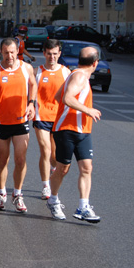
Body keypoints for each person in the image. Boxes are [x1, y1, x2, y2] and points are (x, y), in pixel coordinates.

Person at [47, 47, 102, 223]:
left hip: (83, 131)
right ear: (95, 63)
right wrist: (87, 110)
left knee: (87, 168)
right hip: (67, 130)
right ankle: (53, 199)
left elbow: (57, 96)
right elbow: (66, 98)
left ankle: (83, 207)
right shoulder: (79, 76)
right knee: (63, 169)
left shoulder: (76, 75)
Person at [0, 38, 37, 213]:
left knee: (20, 159)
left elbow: (33, 84)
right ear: (1, 52)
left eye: (12, 52)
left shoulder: (26, 68)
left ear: (17, 51)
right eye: (6, 52)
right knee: (3, 159)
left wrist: (31, 103)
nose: (9, 56)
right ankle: (2, 192)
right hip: (0, 121)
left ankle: (18, 194)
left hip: (21, 121)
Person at [33, 39, 71, 199]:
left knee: (55, 156)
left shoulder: (66, 72)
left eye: (55, 54)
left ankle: (53, 169)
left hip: (59, 118)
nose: (52, 57)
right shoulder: (38, 72)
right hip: (41, 116)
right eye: (49, 54)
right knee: (45, 151)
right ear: (44, 54)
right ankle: (45, 186)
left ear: (59, 54)